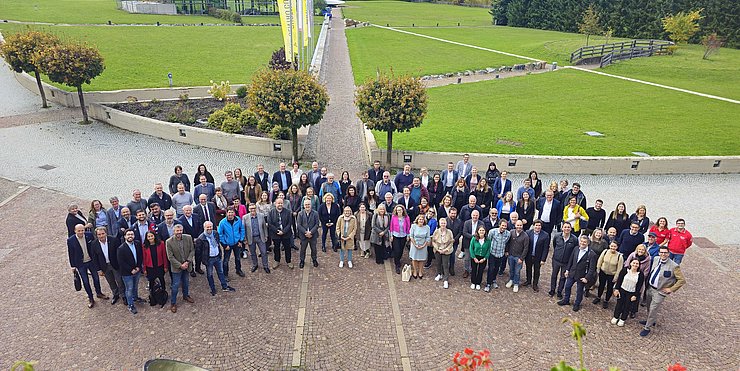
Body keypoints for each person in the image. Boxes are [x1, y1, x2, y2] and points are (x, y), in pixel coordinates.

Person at [639, 246, 686, 337]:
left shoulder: (674, 266)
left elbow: (682, 280)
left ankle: (647, 328)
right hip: (650, 288)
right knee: (649, 306)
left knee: (653, 308)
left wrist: (671, 289)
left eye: (665, 253)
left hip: (660, 292)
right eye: (661, 252)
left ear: (668, 254)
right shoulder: (656, 259)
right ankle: (651, 320)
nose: (663, 254)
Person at [68, 224, 109, 308]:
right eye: (79, 231)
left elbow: (94, 246)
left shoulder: (89, 235)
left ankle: (99, 293)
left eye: (82, 230)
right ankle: (90, 298)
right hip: (81, 264)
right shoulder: (71, 240)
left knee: (96, 279)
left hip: (91, 261)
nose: (81, 232)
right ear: (75, 231)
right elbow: (71, 253)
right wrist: (73, 266)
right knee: (86, 281)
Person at [558, 235, 597, 312]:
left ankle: (577, 304)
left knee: (579, 291)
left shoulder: (592, 254)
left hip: (582, 276)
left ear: (588, 243)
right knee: (567, 286)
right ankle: (566, 300)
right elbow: (571, 260)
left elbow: (592, 268)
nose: (582, 243)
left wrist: (587, 278)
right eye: (581, 241)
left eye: (584, 242)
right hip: (572, 273)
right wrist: (567, 270)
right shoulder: (576, 249)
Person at [196, 221, 236, 295]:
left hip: (217, 257)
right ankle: (212, 288)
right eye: (207, 227)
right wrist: (203, 261)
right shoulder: (201, 238)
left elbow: (218, 243)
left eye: (210, 226)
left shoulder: (215, 233)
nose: (209, 228)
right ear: (204, 228)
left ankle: (224, 286)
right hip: (209, 259)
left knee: (220, 272)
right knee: (210, 274)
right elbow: (198, 252)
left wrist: (220, 254)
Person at [90, 227, 124, 305]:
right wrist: (98, 269)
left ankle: (123, 295)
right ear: (96, 235)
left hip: (115, 264)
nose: (101, 236)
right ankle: (115, 294)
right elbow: (94, 258)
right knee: (111, 282)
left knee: (120, 281)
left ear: (106, 233)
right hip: (104, 266)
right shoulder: (94, 244)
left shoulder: (113, 240)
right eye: (99, 234)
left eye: (103, 233)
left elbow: (119, 254)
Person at [166, 224, 195, 313]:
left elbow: (192, 250)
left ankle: (186, 296)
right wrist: (180, 265)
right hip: (177, 268)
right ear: (174, 231)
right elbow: (170, 257)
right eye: (177, 231)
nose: (179, 232)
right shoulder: (169, 242)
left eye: (180, 231)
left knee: (186, 282)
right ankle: (173, 303)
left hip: (187, 265)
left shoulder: (188, 237)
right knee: (175, 286)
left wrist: (187, 262)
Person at [611, 259, 645, 327]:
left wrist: (635, 295)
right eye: (634, 263)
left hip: (631, 293)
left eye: (637, 264)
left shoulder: (640, 274)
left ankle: (623, 319)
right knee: (619, 304)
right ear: (630, 263)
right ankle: (616, 316)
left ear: (639, 265)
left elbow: (639, 286)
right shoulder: (624, 270)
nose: (635, 265)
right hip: (622, 290)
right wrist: (616, 289)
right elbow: (619, 280)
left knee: (627, 306)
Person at [118, 229, 143, 314]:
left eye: (132, 234)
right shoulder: (121, 248)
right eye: (128, 235)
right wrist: (131, 270)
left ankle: (135, 297)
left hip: (137, 270)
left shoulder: (137, 244)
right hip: (127, 273)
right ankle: (130, 305)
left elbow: (140, 256)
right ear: (125, 236)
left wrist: (138, 267)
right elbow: (121, 262)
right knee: (129, 289)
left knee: (135, 286)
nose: (130, 236)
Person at [549, 222, 578, 299]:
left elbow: (575, 250)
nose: (566, 229)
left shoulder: (574, 239)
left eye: (568, 227)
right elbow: (554, 245)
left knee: (563, 277)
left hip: (566, 262)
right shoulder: (557, 236)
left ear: (571, 229)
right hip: (556, 260)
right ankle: (552, 289)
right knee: (554, 275)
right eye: (565, 227)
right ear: (562, 228)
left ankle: (559, 291)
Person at [592, 241, 624, 309]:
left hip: (612, 274)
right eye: (612, 246)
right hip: (603, 272)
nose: (613, 248)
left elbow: (619, 268)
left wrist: (616, 277)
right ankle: (598, 297)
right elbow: (600, 260)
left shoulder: (619, 256)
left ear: (617, 247)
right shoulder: (605, 251)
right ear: (609, 246)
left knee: (609, 288)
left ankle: (606, 300)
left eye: (614, 246)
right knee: (601, 285)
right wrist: (598, 268)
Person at [624, 244, 651, 315]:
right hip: (629, 277)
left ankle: (633, 311)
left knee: (636, 295)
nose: (640, 251)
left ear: (645, 251)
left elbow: (646, 271)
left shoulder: (647, 259)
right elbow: (627, 264)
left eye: (642, 250)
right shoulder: (632, 255)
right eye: (639, 249)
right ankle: (625, 307)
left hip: (639, 279)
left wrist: (639, 277)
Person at [218, 208, 245, 278]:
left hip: (237, 243)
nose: (230, 214)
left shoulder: (238, 220)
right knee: (226, 260)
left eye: (232, 212)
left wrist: (240, 240)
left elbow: (242, 229)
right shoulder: (222, 222)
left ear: (234, 213)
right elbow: (220, 234)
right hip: (228, 244)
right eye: (229, 212)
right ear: (226, 213)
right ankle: (225, 274)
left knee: (238, 258)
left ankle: (238, 270)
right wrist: (224, 244)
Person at [268, 198, 294, 269]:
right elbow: (270, 224)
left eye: (281, 203)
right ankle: (277, 260)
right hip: (275, 234)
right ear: (275, 204)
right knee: (276, 248)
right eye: (278, 203)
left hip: (286, 233)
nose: (280, 205)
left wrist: (283, 231)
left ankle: (288, 261)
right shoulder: (271, 212)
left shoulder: (288, 212)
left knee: (287, 248)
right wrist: (277, 231)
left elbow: (289, 223)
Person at [142, 231, 167, 303]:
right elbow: (144, 258)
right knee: (151, 282)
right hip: (150, 267)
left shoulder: (161, 244)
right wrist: (144, 269)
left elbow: (164, 256)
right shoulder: (144, 246)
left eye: (151, 236)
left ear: (154, 236)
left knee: (162, 280)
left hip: (160, 266)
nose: (150, 238)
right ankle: (152, 296)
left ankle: (163, 294)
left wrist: (165, 266)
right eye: (148, 236)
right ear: (146, 238)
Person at [243, 204, 270, 273]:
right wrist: (244, 239)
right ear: (249, 209)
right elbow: (243, 229)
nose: (253, 210)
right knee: (252, 253)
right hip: (250, 238)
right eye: (251, 208)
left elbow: (264, 226)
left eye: (254, 208)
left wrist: (266, 235)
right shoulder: (245, 217)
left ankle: (265, 266)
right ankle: (255, 265)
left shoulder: (261, 216)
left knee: (264, 252)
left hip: (260, 237)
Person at [524, 220, 549, 292]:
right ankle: (528, 280)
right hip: (529, 255)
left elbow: (545, 248)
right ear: (533, 225)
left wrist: (543, 259)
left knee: (536, 271)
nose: (538, 227)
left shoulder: (545, 235)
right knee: (528, 269)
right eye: (536, 225)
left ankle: (535, 284)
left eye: (539, 225)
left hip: (538, 257)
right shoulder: (528, 233)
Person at [505, 220, 529, 293]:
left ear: (522, 226)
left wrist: (522, 258)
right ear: (515, 225)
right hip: (511, 255)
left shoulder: (525, 236)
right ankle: (511, 280)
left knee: (517, 271)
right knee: (511, 269)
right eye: (518, 225)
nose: (519, 227)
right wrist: (506, 251)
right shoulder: (511, 232)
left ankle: (516, 283)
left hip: (518, 257)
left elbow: (526, 248)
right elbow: (507, 242)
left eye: (520, 225)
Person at [297, 199, 320, 268]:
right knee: (303, 249)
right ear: (303, 205)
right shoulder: (300, 214)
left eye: (308, 204)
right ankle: (302, 260)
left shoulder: (315, 213)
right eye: (306, 204)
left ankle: (314, 259)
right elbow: (299, 225)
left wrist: (311, 232)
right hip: (303, 235)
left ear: (311, 205)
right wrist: (306, 232)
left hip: (313, 235)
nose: (307, 206)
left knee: (314, 249)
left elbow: (317, 224)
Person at [432, 217, 454, 289]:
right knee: (438, 263)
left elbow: (451, 242)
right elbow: (433, 241)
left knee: (445, 265)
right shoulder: (436, 231)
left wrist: (446, 249)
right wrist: (437, 249)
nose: (443, 224)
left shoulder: (449, 232)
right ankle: (439, 274)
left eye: (444, 223)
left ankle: (446, 280)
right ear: (439, 224)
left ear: (446, 224)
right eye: (442, 223)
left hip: (446, 251)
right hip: (438, 250)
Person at [461, 210, 483, 279]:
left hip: (477, 243)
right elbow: (464, 232)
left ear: (478, 216)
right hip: (467, 242)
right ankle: (466, 270)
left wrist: (476, 238)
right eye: (474, 215)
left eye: (476, 215)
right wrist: (473, 237)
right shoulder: (467, 223)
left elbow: (483, 232)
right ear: (471, 215)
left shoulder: (481, 223)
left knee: (474, 257)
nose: (475, 217)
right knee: (467, 258)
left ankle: (472, 270)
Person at [389, 205, 410, 274]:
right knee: (396, 250)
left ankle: (398, 259)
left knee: (401, 250)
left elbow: (408, 227)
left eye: (400, 210)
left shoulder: (406, 217)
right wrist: (391, 235)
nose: (399, 211)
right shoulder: (393, 217)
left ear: (403, 210)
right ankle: (397, 264)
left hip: (403, 235)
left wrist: (408, 235)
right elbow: (391, 226)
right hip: (396, 235)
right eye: (398, 210)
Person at [469, 226, 490, 290]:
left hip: (483, 257)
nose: (481, 232)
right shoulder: (474, 238)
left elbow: (489, 250)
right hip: (475, 256)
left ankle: (478, 283)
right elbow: (471, 248)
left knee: (481, 271)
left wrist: (484, 258)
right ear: (478, 231)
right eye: (480, 230)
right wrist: (474, 257)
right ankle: (473, 282)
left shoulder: (488, 240)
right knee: (474, 270)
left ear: (485, 231)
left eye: (483, 230)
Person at [445, 207, 463, 277]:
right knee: (446, 255)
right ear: (449, 213)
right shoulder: (445, 220)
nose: (453, 215)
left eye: (455, 213)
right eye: (452, 213)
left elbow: (460, 232)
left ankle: (451, 267)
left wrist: (454, 239)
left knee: (452, 255)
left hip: (455, 242)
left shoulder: (459, 221)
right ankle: (445, 268)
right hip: (446, 242)